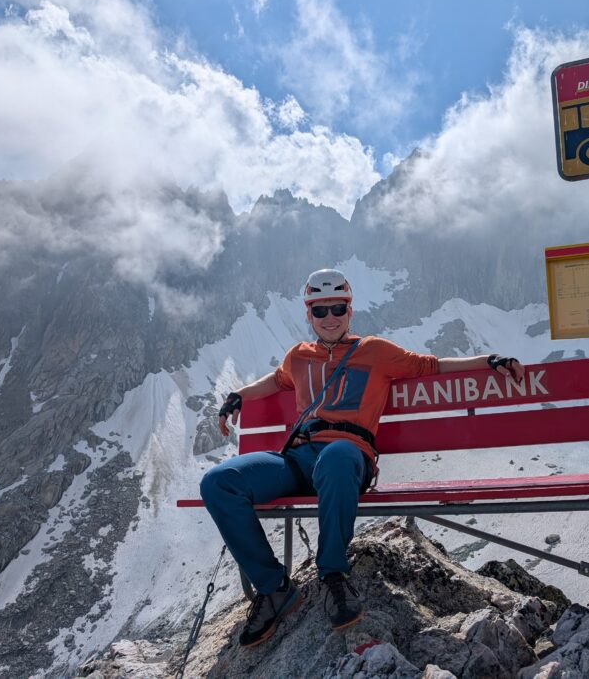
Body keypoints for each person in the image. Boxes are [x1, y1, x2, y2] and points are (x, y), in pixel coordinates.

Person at [199, 269, 524, 648]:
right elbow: (276, 380)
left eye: (338, 307)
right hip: (300, 458)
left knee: (336, 457)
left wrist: (491, 359)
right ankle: (273, 590)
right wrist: (239, 394)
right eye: (320, 311)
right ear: (309, 314)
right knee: (217, 482)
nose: (330, 317)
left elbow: (430, 365)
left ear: (350, 310)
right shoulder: (299, 356)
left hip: (348, 456)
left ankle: (333, 575)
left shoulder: (376, 351)